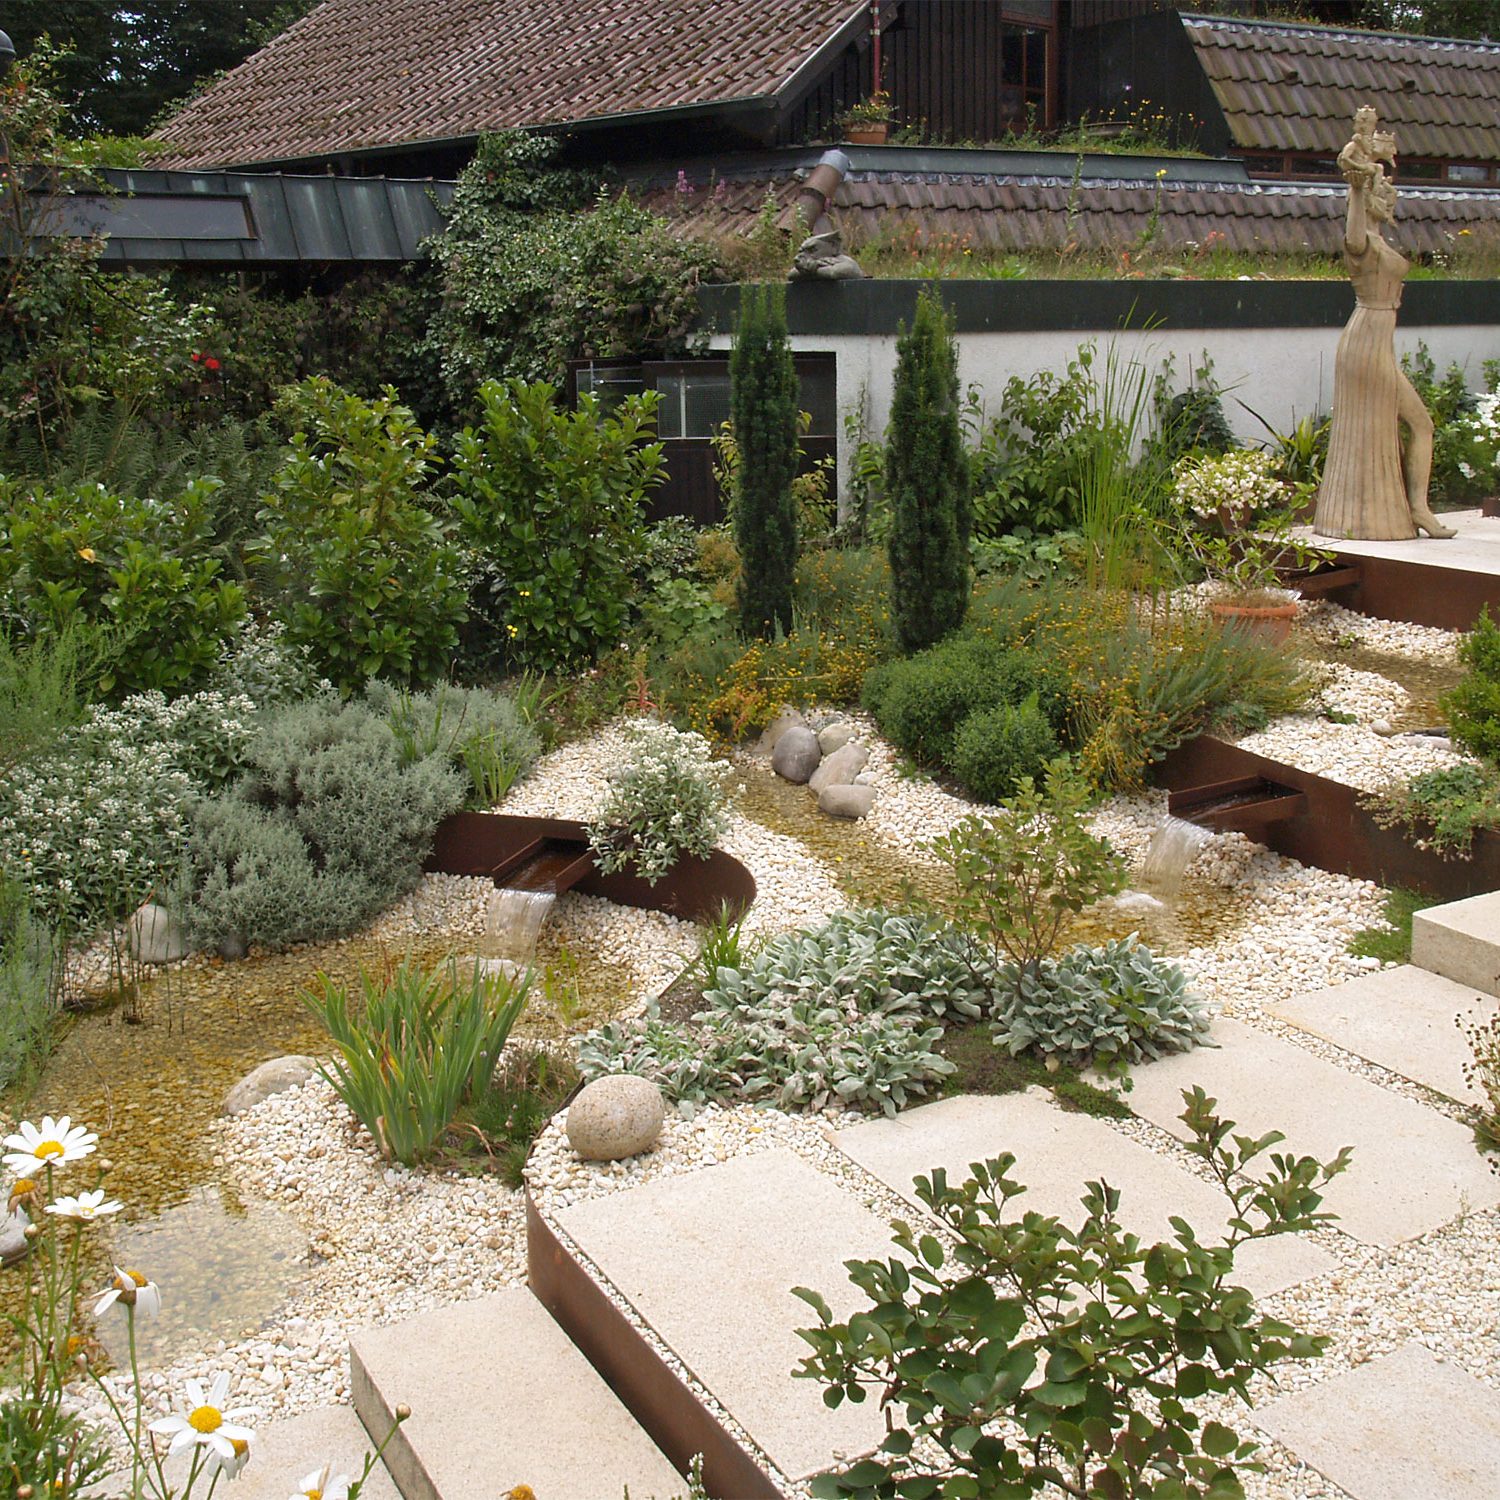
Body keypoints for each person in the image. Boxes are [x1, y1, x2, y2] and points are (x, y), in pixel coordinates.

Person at [1314, 111, 1454, 540]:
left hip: (1379, 340)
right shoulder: (1361, 242)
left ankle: (1417, 509)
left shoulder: (1382, 240)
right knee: (1413, 422)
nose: (1388, 202)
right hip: (1365, 338)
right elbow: (1353, 224)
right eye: (1383, 196)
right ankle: (1406, 511)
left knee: (1421, 424)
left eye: (1391, 200)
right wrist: (1358, 182)